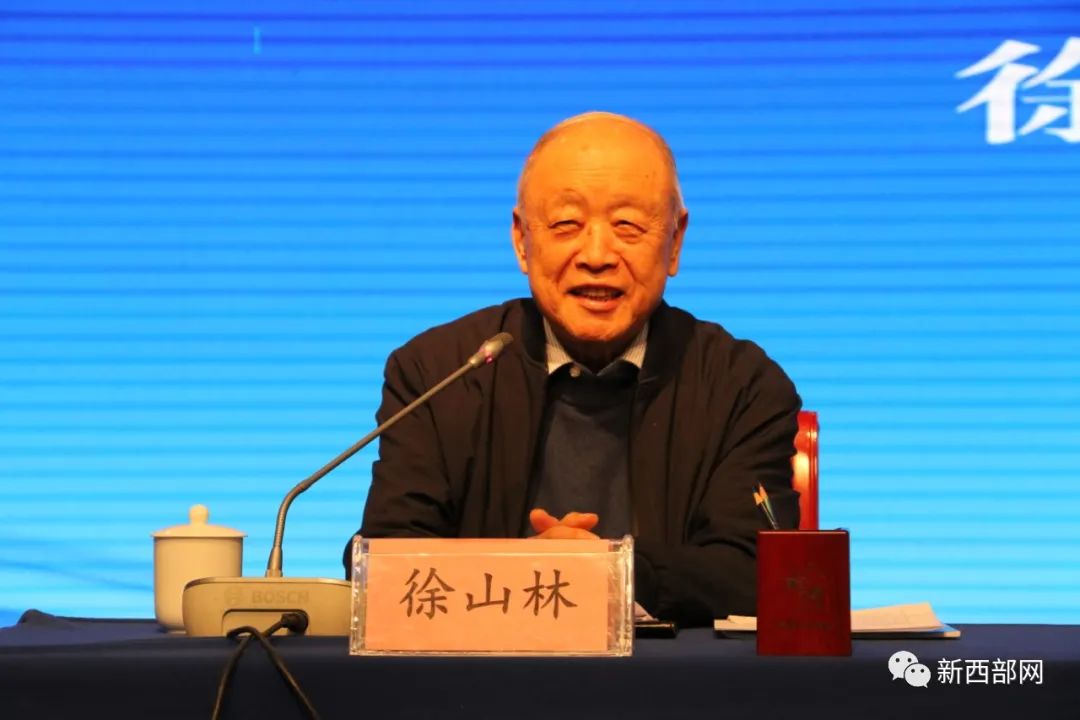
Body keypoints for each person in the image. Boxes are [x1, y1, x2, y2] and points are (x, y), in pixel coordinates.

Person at [346, 112, 801, 626]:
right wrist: (530, 573)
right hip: (478, 672)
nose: (597, 255)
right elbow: (383, 558)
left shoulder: (743, 386)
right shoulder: (440, 372)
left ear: (675, 241)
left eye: (628, 226)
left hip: (671, 675)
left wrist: (606, 570)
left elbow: (758, 572)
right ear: (522, 241)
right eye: (566, 224)